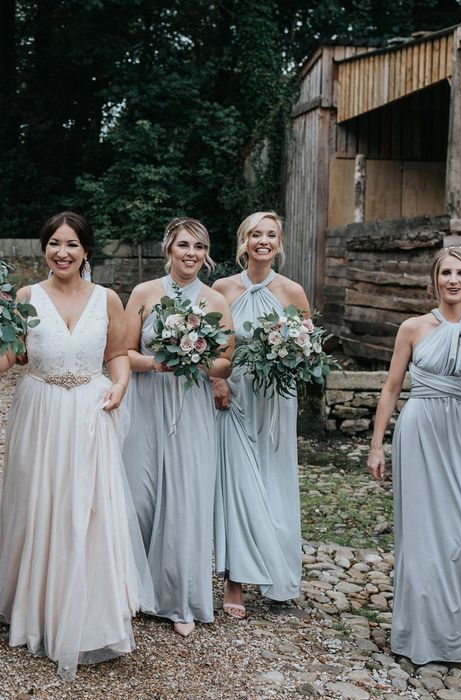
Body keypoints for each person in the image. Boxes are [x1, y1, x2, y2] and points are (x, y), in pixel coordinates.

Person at [0, 211, 153, 679]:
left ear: (86, 251)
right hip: (40, 408)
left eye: (72, 244)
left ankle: (90, 609)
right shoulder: (26, 296)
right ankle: (39, 607)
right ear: (44, 248)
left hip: (90, 410)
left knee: (89, 506)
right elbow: (7, 358)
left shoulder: (108, 298)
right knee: (41, 503)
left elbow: (117, 354)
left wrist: (119, 387)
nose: (62, 252)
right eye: (54, 243)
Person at [367, 245, 461, 664]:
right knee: (421, 536)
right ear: (435, 280)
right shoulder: (413, 328)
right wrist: (376, 445)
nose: (453, 280)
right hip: (419, 429)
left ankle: (457, 634)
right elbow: (391, 387)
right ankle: (419, 636)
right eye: (446, 273)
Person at [122, 217, 233, 637]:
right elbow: (122, 353)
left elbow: (226, 361)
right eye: (184, 245)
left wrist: (197, 359)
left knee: (186, 498)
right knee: (140, 494)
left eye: (200, 247)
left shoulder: (215, 300)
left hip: (191, 406)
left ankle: (178, 598)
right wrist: (158, 361)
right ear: (168, 248)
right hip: (147, 400)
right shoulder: (144, 293)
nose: (192, 253)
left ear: (206, 256)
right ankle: (132, 590)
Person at [211, 211, 309, 617]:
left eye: (271, 234)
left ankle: (279, 576)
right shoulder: (221, 289)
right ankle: (234, 579)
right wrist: (216, 381)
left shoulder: (292, 292)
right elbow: (210, 344)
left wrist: (292, 359)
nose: (263, 240)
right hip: (234, 394)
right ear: (244, 242)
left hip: (276, 400)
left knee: (276, 483)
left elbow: (308, 349)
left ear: (279, 243)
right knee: (236, 484)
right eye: (256, 234)